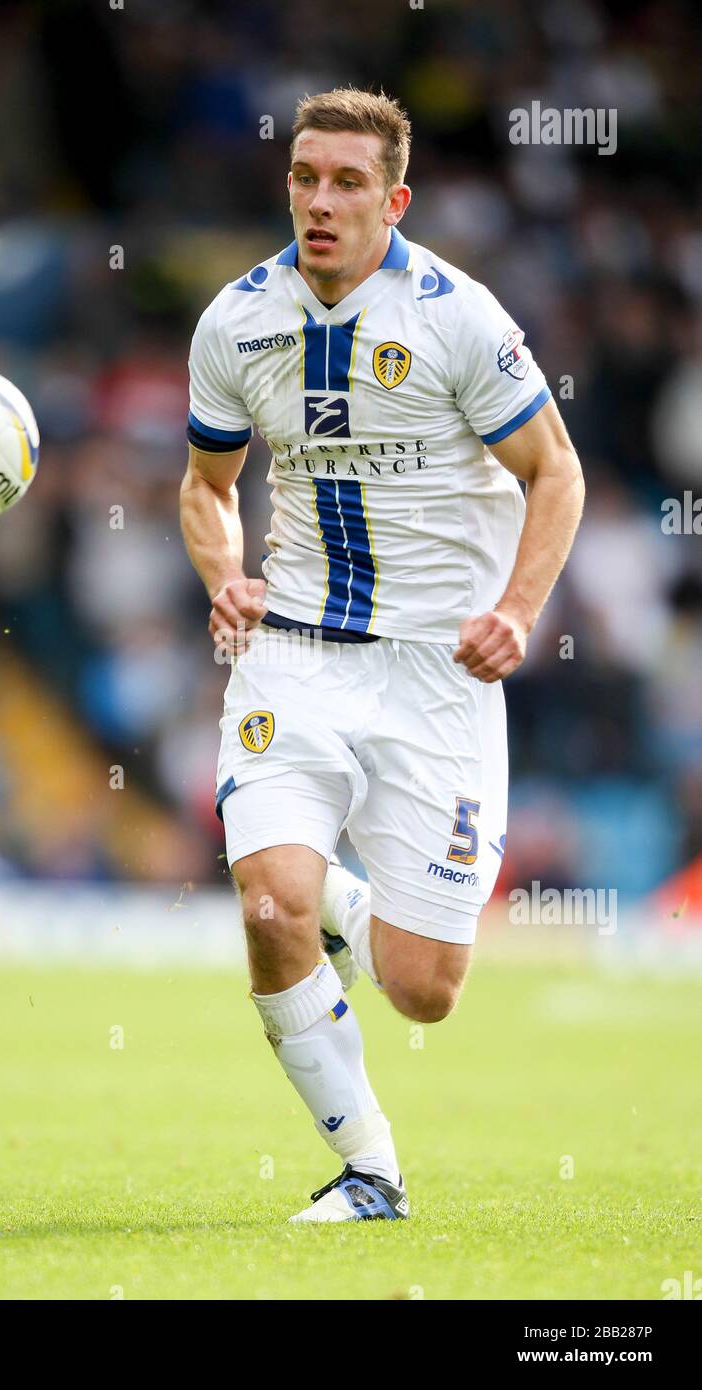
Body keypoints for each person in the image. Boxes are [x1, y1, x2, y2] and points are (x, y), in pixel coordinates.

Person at [180, 88, 584, 1222]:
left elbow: (558, 472)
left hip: (434, 670)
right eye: (305, 176)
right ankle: (370, 1172)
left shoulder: (457, 316)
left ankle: (349, 911)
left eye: (348, 181)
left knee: (423, 990)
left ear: (394, 199)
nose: (320, 199)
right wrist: (226, 578)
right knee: (268, 903)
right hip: (294, 652)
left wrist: (517, 608)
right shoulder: (236, 321)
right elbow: (207, 489)